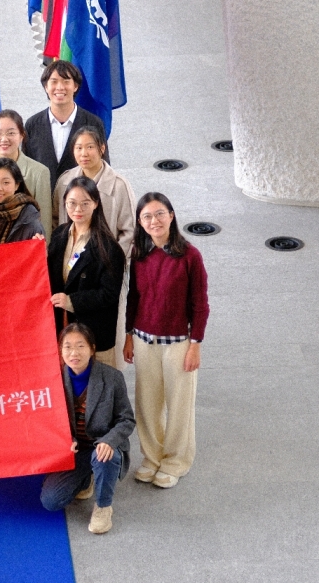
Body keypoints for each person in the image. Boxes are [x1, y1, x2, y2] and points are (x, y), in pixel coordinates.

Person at [124, 193, 209, 490]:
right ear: (140, 222)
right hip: (144, 339)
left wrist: (195, 344)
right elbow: (133, 297)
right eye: (146, 216)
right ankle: (152, 457)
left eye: (160, 214)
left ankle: (175, 461)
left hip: (178, 343)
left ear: (171, 215)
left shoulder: (190, 256)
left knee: (179, 405)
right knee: (147, 405)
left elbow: (200, 304)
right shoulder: (139, 255)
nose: (154, 221)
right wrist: (128, 335)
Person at [40, 323, 135, 535]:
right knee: (51, 500)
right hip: (75, 450)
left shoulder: (112, 377)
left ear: (92, 349)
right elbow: (47, 421)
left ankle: (103, 506)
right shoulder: (53, 379)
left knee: (104, 456)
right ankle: (86, 478)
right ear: (60, 350)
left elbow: (126, 419)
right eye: (67, 347)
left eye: (80, 346)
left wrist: (109, 440)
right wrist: (65, 440)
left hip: (104, 445)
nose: (74, 353)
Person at [47, 177, 125, 366]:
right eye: (72, 203)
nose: (78, 209)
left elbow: (109, 294)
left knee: (98, 383)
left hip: (95, 335)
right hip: (64, 331)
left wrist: (71, 301)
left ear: (96, 203)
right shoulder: (59, 235)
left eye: (85, 203)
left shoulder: (108, 247)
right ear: (64, 203)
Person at [23, 61, 108, 195]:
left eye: (66, 81)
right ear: (46, 87)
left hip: (82, 201)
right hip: (43, 201)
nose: (60, 87)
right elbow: (27, 169)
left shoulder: (93, 123)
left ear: (75, 86)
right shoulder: (32, 125)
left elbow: (104, 168)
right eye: (54, 82)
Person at [0, 110, 53, 237]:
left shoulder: (39, 172)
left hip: (23, 242)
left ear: (22, 135)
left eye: (11, 133)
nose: (4, 139)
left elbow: (44, 220)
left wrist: (43, 246)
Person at [53, 127, 135, 250]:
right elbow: (55, 220)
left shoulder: (119, 185)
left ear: (102, 148)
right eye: (79, 148)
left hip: (106, 257)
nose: (84, 153)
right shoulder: (65, 181)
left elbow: (130, 231)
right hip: (70, 255)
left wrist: (114, 258)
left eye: (90, 147)